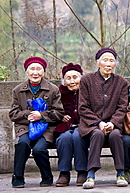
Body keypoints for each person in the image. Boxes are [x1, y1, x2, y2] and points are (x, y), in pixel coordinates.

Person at [9, 56, 64, 188]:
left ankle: (46, 176)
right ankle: (18, 177)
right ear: (27, 72)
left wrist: (42, 115)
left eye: (38, 69)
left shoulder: (53, 89)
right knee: (23, 144)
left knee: (39, 149)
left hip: (46, 127)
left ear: (43, 71)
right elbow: (13, 114)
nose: (35, 72)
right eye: (32, 69)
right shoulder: (17, 90)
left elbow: (59, 113)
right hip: (25, 127)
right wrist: (28, 115)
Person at [78, 48, 128, 189]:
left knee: (116, 135)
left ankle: (120, 173)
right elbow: (83, 107)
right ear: (98, 63)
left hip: (113, 124)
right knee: (97, 134)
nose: (108, 64)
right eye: (105, 60)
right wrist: (98, 123)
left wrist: (113, 123)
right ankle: (91, 174)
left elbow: (122, 107)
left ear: (115, 64)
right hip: (91, 125)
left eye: (111, 61)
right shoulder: (87, 80)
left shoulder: (121, 82)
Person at [53, 63, 88, 187]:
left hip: (84, 125)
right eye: (68, 78)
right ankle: (64, 172)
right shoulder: (58, 93)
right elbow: (53, 110)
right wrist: (61, 116)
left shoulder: (87, 91)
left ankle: (82, 171)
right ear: (64, 81)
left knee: (78, 137)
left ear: (81, 78)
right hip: (64, 126)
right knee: (64, 138)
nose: (72, 81)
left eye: (75, 77)